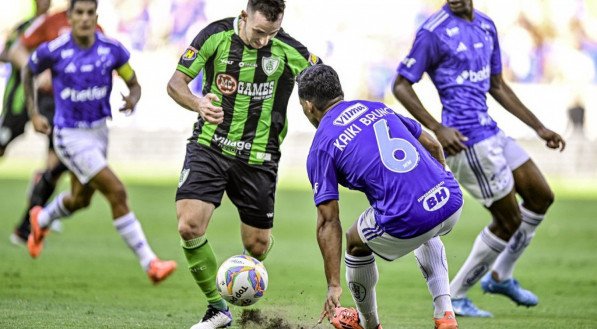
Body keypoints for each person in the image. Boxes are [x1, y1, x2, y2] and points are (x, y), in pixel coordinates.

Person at [392, 0, 566, 317]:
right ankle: (456, 296)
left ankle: (500, 275)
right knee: (509, 220)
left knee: (541, 196)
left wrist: (538, 127)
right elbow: (401, 84)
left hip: (491, 130)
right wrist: (437, 127)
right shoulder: (433, 32)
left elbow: (497, 85)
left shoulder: (486, 25)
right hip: (466, 142)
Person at [166, 0, 321, 327]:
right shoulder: (215, 36)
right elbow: (175, 84)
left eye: (272, 33)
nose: (264, 40)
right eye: (260, 32)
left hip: (259, 157)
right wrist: (198, 103)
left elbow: (324, 86)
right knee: (189, 225)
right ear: (244, 16)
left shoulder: (288, 49)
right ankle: (217, 308)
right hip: (210, 145)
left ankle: (257, 254)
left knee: (257, 245)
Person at [22, 0, 177, 284]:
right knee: (116, 192)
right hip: (69, 134)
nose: (84, 18)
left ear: (96, 16)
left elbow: (133, 82)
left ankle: (40, 219)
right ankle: (150, 262)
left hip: (98, 133)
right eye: (78, 13)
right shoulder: (55, 50)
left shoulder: (111, 50)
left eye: (89, 13)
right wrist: (33, 113)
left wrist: (133, 98)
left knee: (81, 200)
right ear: (69, 17)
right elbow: (28, 70)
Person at [298, 64, 462, 329]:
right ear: (339, 91)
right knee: (426, 224)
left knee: (354, 241)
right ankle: (445, 313)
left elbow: (328, 221)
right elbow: (432, 144)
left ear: (308, 106)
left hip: (411, 216)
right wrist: (439, 180)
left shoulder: (322, 145)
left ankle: (368, 323)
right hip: (451, 199)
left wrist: (334, 284)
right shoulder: (377, 107)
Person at [7, 2, 105, 245]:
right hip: (52, 101)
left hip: (78, 107)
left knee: (56, 164)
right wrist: (40, 71)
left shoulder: (99, 30)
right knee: (58, 160)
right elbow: (17, 50)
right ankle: (31, 224)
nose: (84, 17)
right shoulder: (50, 22)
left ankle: (28, 225)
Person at [0, 0, 51, 158]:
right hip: (19, 93)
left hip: (48, 94)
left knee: (57, 137)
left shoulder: (55, 26)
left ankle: (46, 179)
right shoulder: (24, 27)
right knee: (3, 138)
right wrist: (28, 62)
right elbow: (5, 54)